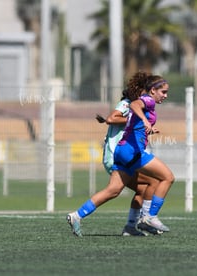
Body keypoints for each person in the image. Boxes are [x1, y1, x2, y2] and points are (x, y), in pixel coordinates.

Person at [67, 75, 174, 237]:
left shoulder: (144, 102)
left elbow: (132, 113)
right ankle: (148, 217)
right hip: (130, 151)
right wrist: (145, 121)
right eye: (163, 92)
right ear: (152, 90)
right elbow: (134, 105)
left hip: (121, 151)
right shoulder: (147, 100)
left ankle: (76, 215)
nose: (165, 95)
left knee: (113, 190)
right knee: (167, 178)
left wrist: (146, 126)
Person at [96, 71, 160, 236]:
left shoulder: (139, 106)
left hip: (125, 155)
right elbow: (111, 118)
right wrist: (134, 120)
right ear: (140, 89)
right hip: (116, 155)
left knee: (142, 188)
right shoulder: (127, 103)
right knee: (148, 183)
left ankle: (131, 227)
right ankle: (143, 221)